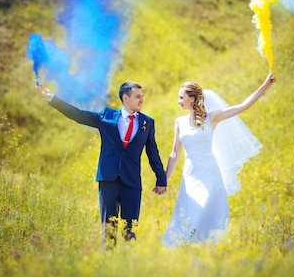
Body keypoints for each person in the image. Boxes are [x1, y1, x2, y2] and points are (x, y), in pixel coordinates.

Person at [37, 81, 167, 246]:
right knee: (108, 230)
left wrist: (161, 180)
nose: (142, 100)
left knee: (130, 229)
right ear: (125, 98)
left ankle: (130, 266)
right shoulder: (106, 116)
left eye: (142, 97)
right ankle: (107, 264)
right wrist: (51, 98)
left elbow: (153, 153)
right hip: (108, 180)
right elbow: (77, 114)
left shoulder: (147, 123)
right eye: (138, 96)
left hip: (132, 182)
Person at [162, 71, 275, 246]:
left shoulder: (212, 118)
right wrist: (164, 180)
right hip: (190, 176)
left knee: (207, 212)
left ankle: (210, 248)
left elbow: (243, 106)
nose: (178, 101)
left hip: (210, 174)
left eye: (181, 97)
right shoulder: (179, 122)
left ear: (191, 99)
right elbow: (174, 153)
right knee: (189, 212)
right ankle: (184, 249)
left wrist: (264, 86)